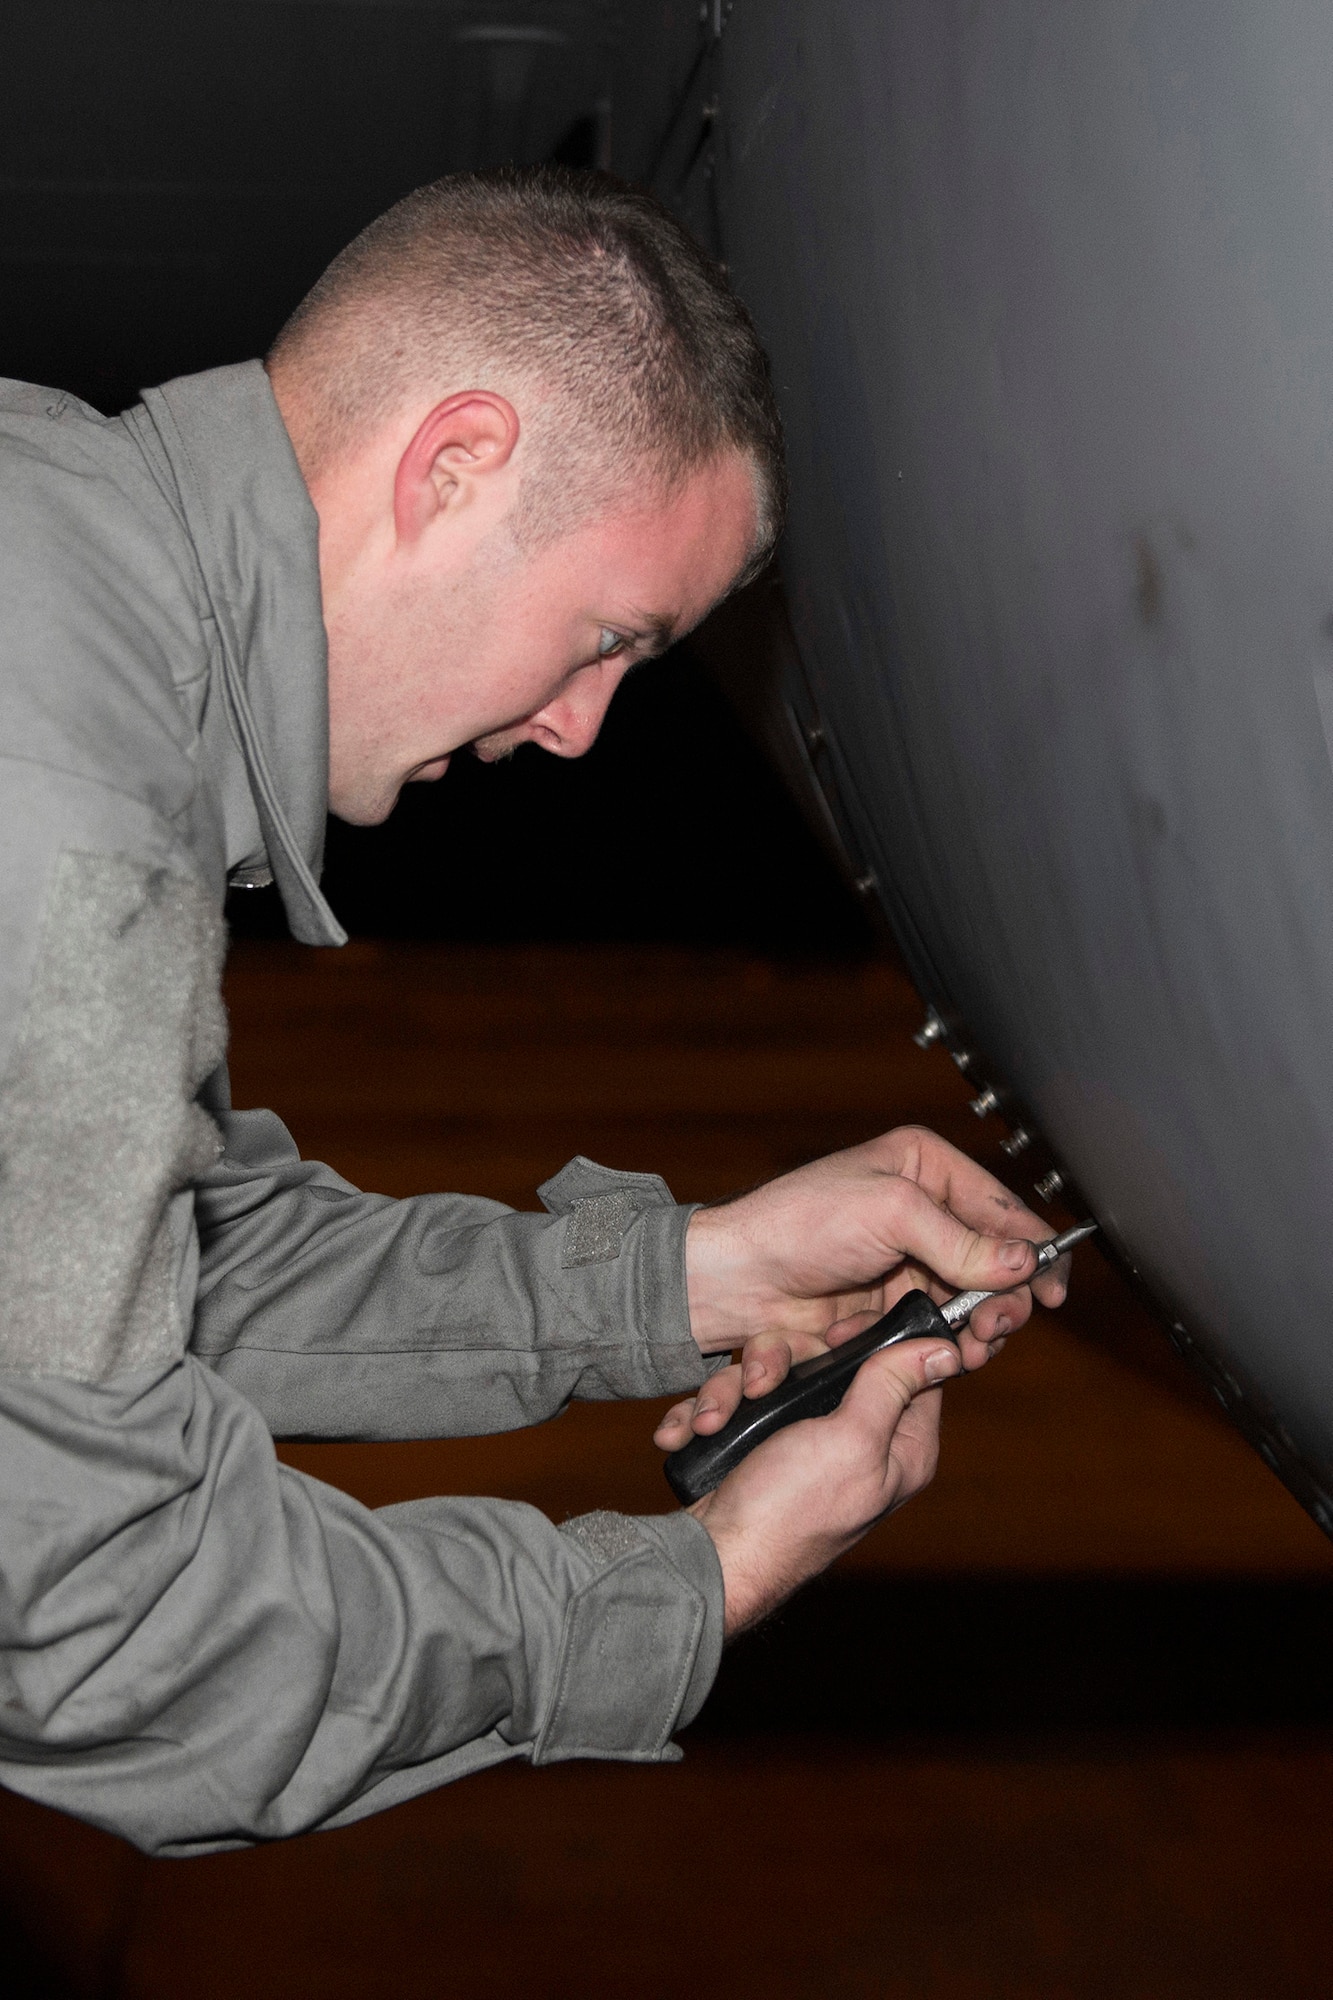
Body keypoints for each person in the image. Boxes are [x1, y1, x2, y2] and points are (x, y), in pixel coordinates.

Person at [0, 166, 1067, 1856]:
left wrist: (689, 1275)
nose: (579, 731)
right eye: (602, 639)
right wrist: (693, 1584)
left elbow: (163, 1269)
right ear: (456, 464)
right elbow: (105, 1620)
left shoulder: (49, 541)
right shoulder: (67, 828)